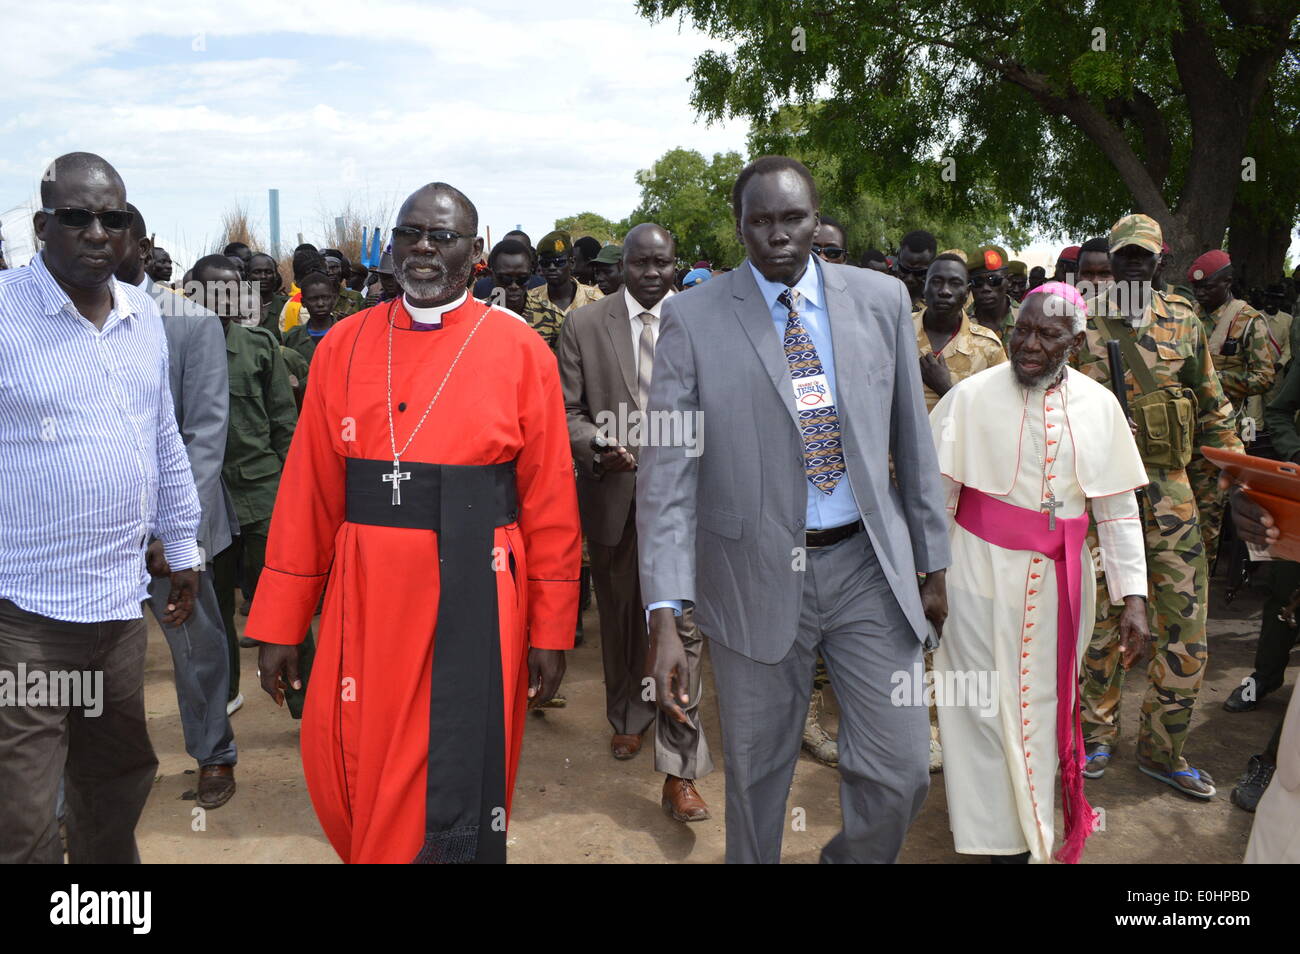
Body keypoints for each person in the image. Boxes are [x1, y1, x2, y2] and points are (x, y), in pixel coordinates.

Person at [246, 182, 581, 864]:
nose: (424, 248)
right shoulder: (343, 344)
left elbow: (549, 500)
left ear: (476, 253)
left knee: (460, 766)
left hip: (482, 592)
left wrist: (552, 629)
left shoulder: (521, 352)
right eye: (410, 234)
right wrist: (280, 622)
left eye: (443, 236)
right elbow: (309, 490)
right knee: (348, 755)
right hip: (368, 596)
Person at [638, 156, 949, 864]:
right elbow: (664, 478)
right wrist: (664, 615)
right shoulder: (692, 317)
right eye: (760, 221)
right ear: (739, 226)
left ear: (816, 217)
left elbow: (914, 441)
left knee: (900, 772)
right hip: (750, 574)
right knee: (758, 779)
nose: (778, 235)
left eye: (792, 218)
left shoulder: (881, 301)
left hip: (868, 566)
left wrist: (933, 564)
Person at [0, 152, 201, 863]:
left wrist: (184, 547)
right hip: (24, 617)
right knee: (21, 819)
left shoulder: (144, 315)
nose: (96, 232)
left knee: (114, 788)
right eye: (77, 217)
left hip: (116, 612)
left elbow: (164, 438)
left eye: (112, 219)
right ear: (41, 225)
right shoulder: (3, 314)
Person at [931, 283, 1150, 863]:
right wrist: (928, 581)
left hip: (1062, 585)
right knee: (977, 706)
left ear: (1074, 343)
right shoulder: (971, 398)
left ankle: (1034, 829)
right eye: (1021, 330)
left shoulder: (1100, 406)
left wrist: (1134, 597)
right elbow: (937, 498)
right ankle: (992, 840)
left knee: (1043, 705)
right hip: (976, 575)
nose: (1028, 344)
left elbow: (1118, 511)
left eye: (1047, 335)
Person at [1073, 214, 1241, 799]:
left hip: (1171, 497)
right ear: (1112, 260)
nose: (1134, 264)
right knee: (1100, 626)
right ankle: (1095, 737)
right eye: (1125, 256)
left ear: (1161, 260)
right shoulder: (1083, 325)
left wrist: (1236, 478)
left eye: (1145, 256)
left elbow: (1214, 408)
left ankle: (1164, 750)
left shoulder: (1185, 323)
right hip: (1100, 496)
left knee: (1185, 629)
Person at [557, 222, 715, 821]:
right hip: (614, 494)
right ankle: (626, 714)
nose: (651, 273)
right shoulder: (584, 326)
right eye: (640, 263)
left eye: (662, 263)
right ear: (621, 265)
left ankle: (679, 770)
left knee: (680, 627)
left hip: (688, 500)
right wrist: (598, 444)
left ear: (677, 263)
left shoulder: (702, 320)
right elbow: (567, 410)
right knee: (623, 618)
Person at [114, 205, 239, 809]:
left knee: (195, 650)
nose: (100, 244)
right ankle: (75, 789)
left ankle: (213, 753)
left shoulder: (190, 323)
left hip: (174, 531)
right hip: (84, 537)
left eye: (116, 232)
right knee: (85, 663)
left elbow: (205, 434)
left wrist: (172, 528)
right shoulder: (50, 321)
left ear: (144, 246)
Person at [192, 255, 310, 718]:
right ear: (193, 291)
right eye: (212, 288)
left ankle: (306, 697)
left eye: (232, 287)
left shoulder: (260, 346)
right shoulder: (172, 346)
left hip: (262, 490)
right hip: (205, 497)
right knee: (216, 605)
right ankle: (226, 693)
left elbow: (284, 422)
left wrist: (293, 491)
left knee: (286, 592)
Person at [1187, 250, 1274, 561]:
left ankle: (1201, 590)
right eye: (1196, 288)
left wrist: (1213, 378)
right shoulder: (1186, 317)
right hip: (1180, 431)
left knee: (1206, 518)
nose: (1200, 293)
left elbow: (1264, 376)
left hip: (1218, 433)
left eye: (1207, 287)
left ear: (1227, 282)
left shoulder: (1248, 321)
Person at [914, 252, 1007, 410]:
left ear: (966, 293)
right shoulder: (897, 330)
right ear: (924, 287)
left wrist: (945, 389)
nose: (945, 291)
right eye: (936, 282)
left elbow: (998, 412)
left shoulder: (988, 347)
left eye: (955, 283)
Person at [524, 230, 603, 350]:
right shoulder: (529, 301)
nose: (551, 268)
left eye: (558, 262)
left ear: (571, 263)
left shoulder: (595, 299)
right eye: (545, 263)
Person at [282, 269, 340, 367]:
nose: (320, 304)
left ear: (333, 299)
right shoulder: (292, 337)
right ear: (303, 303)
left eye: (325, 298)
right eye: (313, 299)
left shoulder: (347, 333)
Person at [968, 245, 1017, 350]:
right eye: (977, 282)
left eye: (994, 280)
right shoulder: (960, 323)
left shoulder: (1027, 318)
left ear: (1009, 281)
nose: (985, 288)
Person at [483, 238, 533, 316]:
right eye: (506, 279)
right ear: (491, 275)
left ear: (530, 274)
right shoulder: (478, 315)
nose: (514, 286)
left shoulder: (551, 315)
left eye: (522, 278)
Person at [893, 230, 936, 311]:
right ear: (898, 262)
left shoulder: (937, 307)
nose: (910, 278)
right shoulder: (882, 298)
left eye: (919, 272)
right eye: (904, 269)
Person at [247, 252, 287, 341]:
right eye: (257, 272)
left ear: (276, 276)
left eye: (268, 272)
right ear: (248, 276)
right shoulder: (236, 308)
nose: (263, 276)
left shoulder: (287, 306)